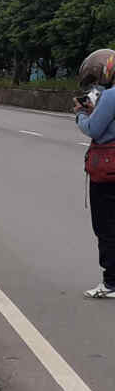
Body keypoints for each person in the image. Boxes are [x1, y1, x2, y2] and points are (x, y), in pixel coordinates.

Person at [74, 49, 115, 298]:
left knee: (106, 227)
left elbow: (93, 129)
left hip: (108, 173)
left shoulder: (110, 96)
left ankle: (110, 283)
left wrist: (81, 113)